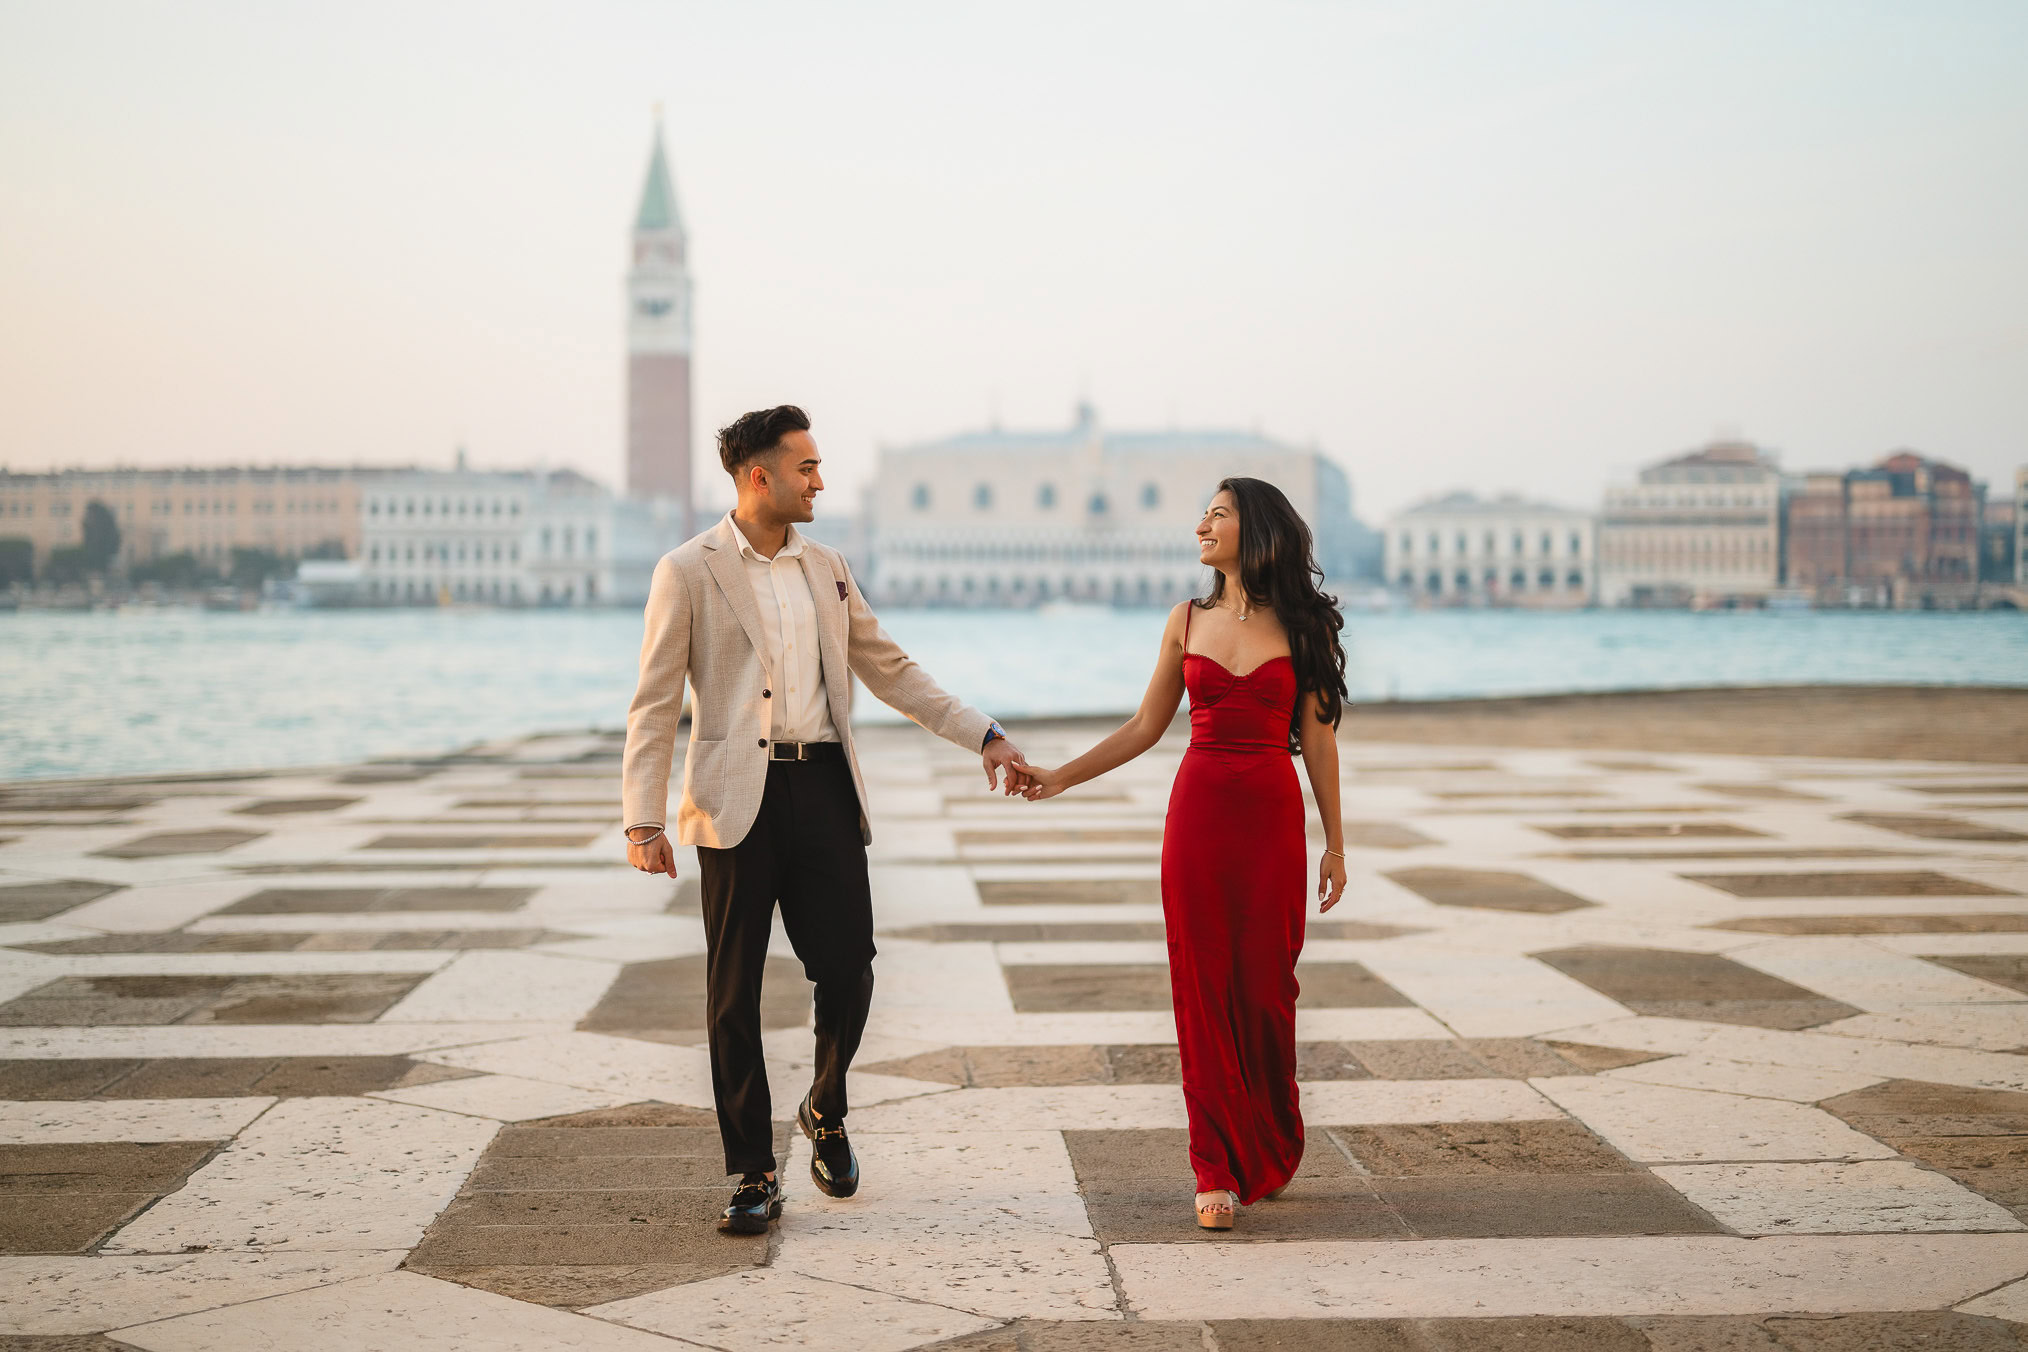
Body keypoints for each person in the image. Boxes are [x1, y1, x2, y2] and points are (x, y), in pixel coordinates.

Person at [619, 405, 1031, 1235]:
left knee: (849, 966)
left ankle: (824, 1106)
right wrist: (643, 819)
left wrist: (981, 733)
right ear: (757, 475)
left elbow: (890, 669)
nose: (819, 480)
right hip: (736, 802)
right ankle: (751, 1173)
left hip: (825, 791)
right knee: (731, 992)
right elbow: (656, 702)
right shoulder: (688, 570)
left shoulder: (830, 568)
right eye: (805, 466)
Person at [1013, 476, 1348, 1230]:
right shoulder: (1183, 620)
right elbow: (1143, 728)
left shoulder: (1306, 629)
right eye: (1205, 513)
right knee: (1201, 989)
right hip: (1197, 818)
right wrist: (1062, 775)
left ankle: (1270, 1135)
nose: (1202, 523)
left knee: (1266, 990)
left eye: (1218, 514)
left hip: (1270, 819)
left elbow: (1320, 741)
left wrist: (1335, 841)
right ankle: (1215, 1168)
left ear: (1255, 531)